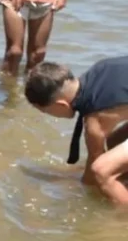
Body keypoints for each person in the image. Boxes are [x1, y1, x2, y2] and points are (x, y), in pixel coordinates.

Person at [24, 58, 128, 188]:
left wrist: (80, 190)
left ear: (61, 105)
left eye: (46, 111)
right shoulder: (99, 69)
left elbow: (93, 169)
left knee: (101, 172)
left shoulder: (94, 120)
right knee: (114, 142)